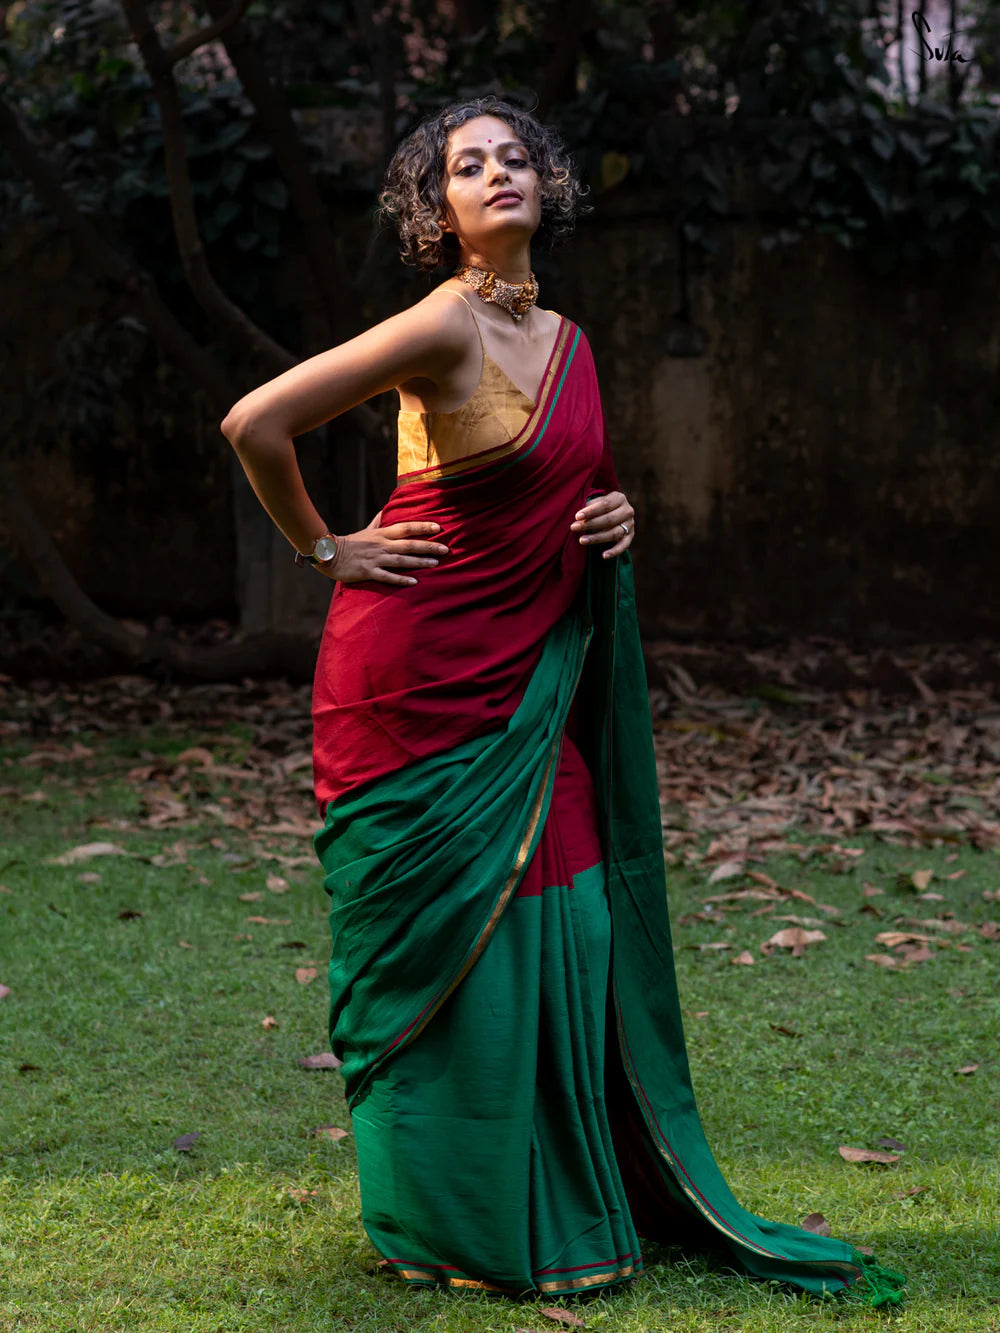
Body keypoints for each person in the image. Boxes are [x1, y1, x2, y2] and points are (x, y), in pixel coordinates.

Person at [222, 97, 905, 1307]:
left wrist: (617, 517)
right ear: (436, 211)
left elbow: (565, 488)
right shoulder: (439, 325)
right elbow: (255, 420)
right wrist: (328, 552)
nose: (495, 174)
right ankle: (450, 1215)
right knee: (424, 948)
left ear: (549, 185)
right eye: (464, 166)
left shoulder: (572, 342)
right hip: (411, 681)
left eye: (514, 157)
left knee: (570, 911)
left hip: (525, 675)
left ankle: (565, 1190)